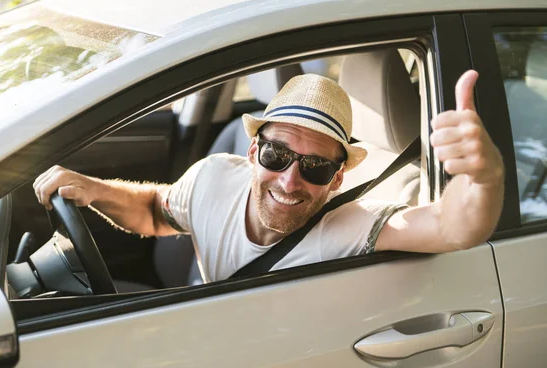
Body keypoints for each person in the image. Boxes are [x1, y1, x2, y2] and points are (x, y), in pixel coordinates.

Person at [34, 71, 504, 282]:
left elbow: (452, 226)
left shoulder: (351, 227)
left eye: (316, 166)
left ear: (337, 179)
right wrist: (94, 190)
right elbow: (157, 211)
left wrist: (484, 177)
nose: (289, 180)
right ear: (254, 151)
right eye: (278, 154)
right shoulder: (214, 177)